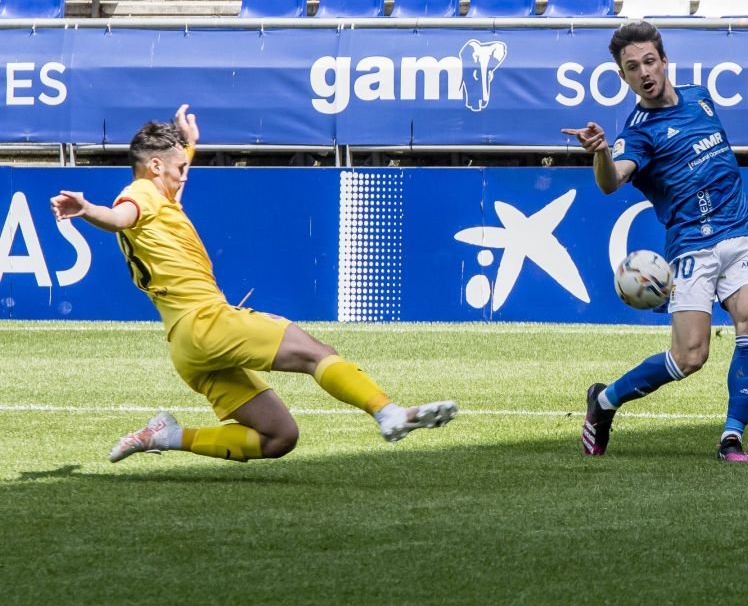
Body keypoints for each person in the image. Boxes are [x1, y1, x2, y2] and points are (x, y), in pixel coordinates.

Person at [50, 104, 457, 464]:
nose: (184, 176)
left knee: (279, 437)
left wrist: (187, 146)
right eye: (179, 169)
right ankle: (388, 412)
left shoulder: (161, 197)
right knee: (315, 353)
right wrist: (87, 210)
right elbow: (119, 216)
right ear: (155, 167)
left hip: (185, 346)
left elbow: (155, 191)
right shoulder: (142, 194)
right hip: (208, 322)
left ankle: (166, 436)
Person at [562, 21, 748, 462]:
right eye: (632, 68)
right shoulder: (637, 133)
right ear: (623, 77)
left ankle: (731, 438)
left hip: (741, 233)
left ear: (664, 60)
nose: (644, 73)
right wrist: (600, 151)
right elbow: (612, 181)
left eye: (649, 61)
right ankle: (603, 401)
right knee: (689, 358)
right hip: (692, 246)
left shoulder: (700, 97)